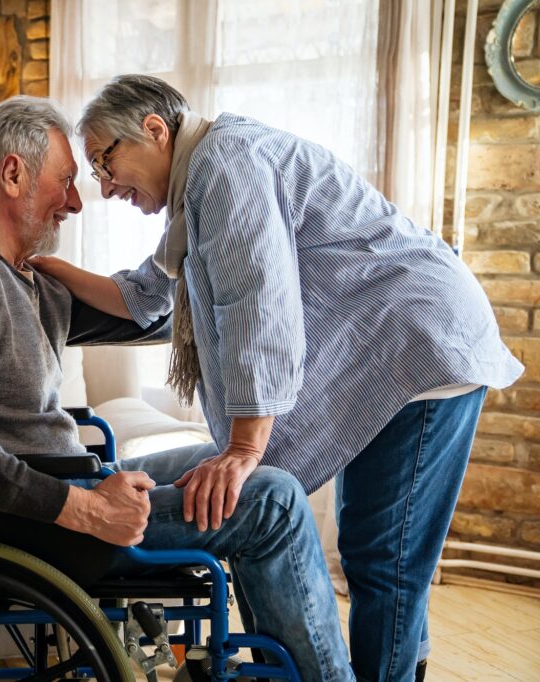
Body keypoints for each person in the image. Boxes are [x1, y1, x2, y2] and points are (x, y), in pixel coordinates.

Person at [30, 75, 525, 682]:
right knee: (374, 548)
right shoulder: (195, 185)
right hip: (397, 345)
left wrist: (244, 447)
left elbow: (255, 301)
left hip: (421, 344)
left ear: (154, 131)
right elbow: (144, 296)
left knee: (385, 558)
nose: (105, 189)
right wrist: (45, 266)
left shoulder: (225, 165)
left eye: (105, 164)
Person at [0, 95, 355, 681]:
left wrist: (225, 240)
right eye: (64, 181)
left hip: (71, 487)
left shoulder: (30, 281)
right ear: (12, 174)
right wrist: (84, 508)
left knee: (230, 463)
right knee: (274, 502)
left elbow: (157, 317)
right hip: (39, 522)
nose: (76, 202)